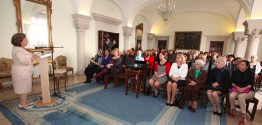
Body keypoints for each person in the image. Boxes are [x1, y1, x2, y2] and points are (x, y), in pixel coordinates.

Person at [11, 33, 40, 109]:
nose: (27, 41)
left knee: (24, 88)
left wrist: (32, 57)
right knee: (23, 88)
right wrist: (32, 57)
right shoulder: (18, 50)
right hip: (21, 72)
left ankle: (24, 102)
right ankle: (23, 104)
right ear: (20, 41)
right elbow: (23, 60)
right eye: (25, 40)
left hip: (22, 71)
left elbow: (24, 58)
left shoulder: (19, 49)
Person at [229, 60, 255, 124]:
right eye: (240, 64)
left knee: (241, 96)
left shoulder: (250, 73)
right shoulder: (235, 72)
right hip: (237, 88)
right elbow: (232, 82)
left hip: (249, 90)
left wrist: (243, 89)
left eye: (243, 64)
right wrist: (238, 87)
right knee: (231, 96)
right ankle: (233, 109)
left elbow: (251, 84)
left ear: (247, 66)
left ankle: (243, 115)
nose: (240, 65)